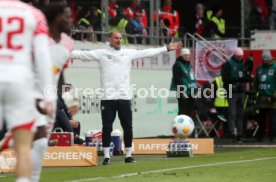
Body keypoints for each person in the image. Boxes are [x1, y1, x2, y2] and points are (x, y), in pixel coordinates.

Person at [70, 30, 182, 165]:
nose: (119, 40)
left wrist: (165, 48)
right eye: (116, 38)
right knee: (107, 127)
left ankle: (128, 155)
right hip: (108, 98)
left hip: (124, 97)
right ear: (109, 39)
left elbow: (146, 53)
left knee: (127, 127)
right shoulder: (101, 53)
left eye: (120, 38)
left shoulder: (128, 53)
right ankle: (106, 157)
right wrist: (62, 53)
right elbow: (82, 54)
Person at [0, 0, 55, 182]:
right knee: (24, 149)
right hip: (20, 81)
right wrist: (48, 96)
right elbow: (42, 56)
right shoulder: (34, 14)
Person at [221, 47, 249, 143]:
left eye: (241, 56)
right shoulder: (228, 64)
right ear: (235, 55)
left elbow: (247, 77)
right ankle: (232, 133)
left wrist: (246, 77)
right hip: (231, 91)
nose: (240, 58)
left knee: (240, 114)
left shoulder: (244, 63)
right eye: (238, 56)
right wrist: (236, 79)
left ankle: (240, 134)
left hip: (241, 91)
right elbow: (225, 78)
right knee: (232, 113)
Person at [255, 50, 276, 142]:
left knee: (273, 120)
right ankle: (260, 137)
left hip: (272, 98)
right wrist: (255, 94)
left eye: (267, 59)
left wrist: (274, 96)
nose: (265, 61)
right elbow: (256, 82)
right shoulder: (259, 68)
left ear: (270, 59)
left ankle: (273, 137)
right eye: (264, 60)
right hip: (262, 98)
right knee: (261, 119)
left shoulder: (275, 67)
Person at [170, 48, 198, 117]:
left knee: (190, 111)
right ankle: (180, 126)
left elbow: (192, 79)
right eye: (185, 55)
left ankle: (188, 127)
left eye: (188, 55)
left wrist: (195, 89)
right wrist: (181, 92)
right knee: (183, 111)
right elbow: (177, 79)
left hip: (191, 92)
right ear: (182, 56)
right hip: (183, 92)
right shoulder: (177, 65)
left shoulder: (190, 66)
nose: (187, 57)